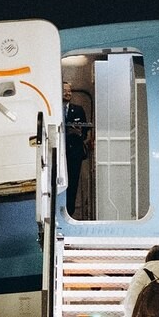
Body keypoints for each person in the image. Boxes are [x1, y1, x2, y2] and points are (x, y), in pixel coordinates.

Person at [62, 81, 91, 217]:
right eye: (65, 90)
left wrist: (78, 133)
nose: (68, 93)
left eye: (69, 91)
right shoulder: (54, 110)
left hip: (74, 154)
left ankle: (70, 212)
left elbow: (85, 132)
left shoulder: (78, 110)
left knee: (73, 184)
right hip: (59, 154)